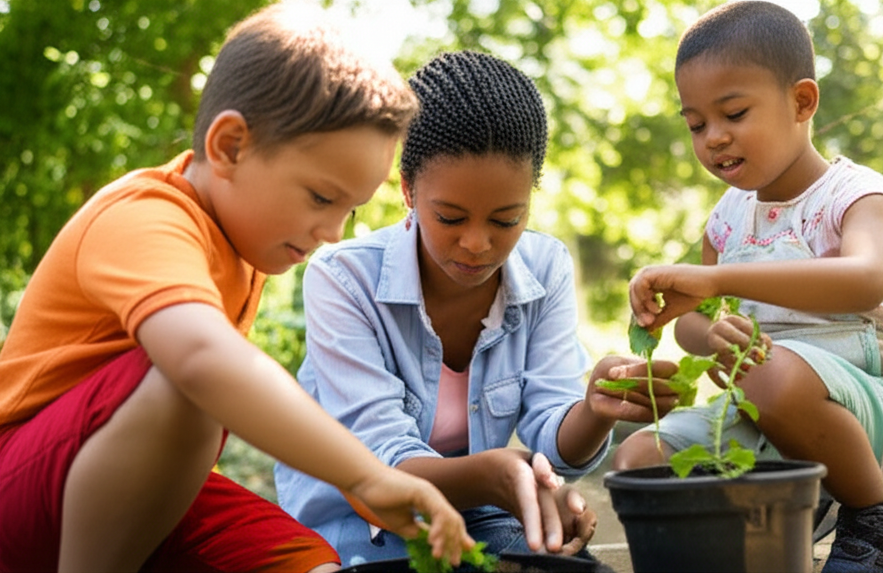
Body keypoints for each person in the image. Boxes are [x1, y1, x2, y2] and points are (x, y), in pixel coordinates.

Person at [0, 4, 474, 571]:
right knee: (186, 386)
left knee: (310, 562)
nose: (331, 233)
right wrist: (366, 474)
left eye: (351, 210)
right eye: (322, 198)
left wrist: (372, 487)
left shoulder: (245, 244)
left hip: (141, 495)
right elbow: (202, 363)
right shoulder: (146, 217)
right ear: (230, 146)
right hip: (23, 492)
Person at [275, 50, 678, 565]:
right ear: (407, 190)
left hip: (475, 514)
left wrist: (595, 410)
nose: (477, 244)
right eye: (450, 217)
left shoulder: (544, 267)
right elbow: (378, 467)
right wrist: (504, 475)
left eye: (506, 221)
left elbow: (555, 441)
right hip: (357, 525)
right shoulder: (344, 279)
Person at [616, 3, 883, 573]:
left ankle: (880, 516)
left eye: (733, 113)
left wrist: (717, 279)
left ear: (801, 102)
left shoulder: (856, 194)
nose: (713, 138)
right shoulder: (728, 218)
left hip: (863, 398)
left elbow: (865, 281)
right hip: (755, 405)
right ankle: (780, 515)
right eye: (695, 124)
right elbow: (694, 322)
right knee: (640, 459)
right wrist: (706, 330)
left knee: (773, 376)